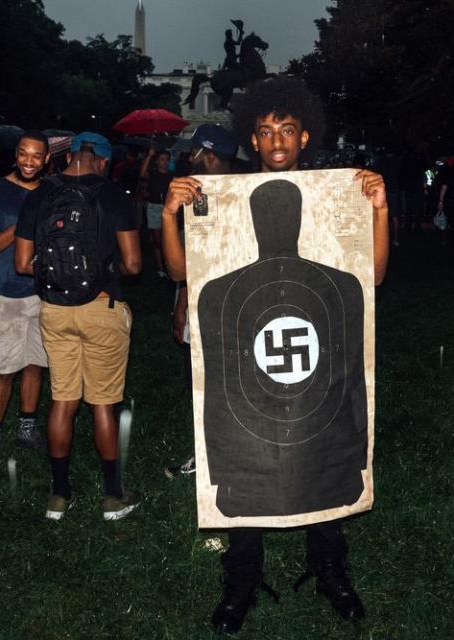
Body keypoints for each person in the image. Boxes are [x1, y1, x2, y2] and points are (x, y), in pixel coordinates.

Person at [161, 77, 389, 635]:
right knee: (249, 461)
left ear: (304, 135)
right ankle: (240, 579)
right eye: (265, 131)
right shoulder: (218, 197)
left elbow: (373, 275)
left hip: (321, 388)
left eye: (286, 129)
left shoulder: (341, 193)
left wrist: (379, 210)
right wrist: (170, 216)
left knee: (323, 460)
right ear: (253, 142)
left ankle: (331, 570)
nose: (276, 139)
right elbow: (178, 273)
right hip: (249, 390)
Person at [14, 132, 143, 521]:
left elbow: (22, 263)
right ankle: (113, 497)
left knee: (63, 399)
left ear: (68, 155)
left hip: (54, 308)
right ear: (102, 161)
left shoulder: (39, 194)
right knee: (102, 401)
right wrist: (102, 272)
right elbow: (135, 264)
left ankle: (59, 495)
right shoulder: (113, 195)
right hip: (100, 307)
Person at [163, 124, 239, 480]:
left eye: (191, 153)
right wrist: (180, 305)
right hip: (205, 303)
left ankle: (223, 456)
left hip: (229, 307)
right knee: (205, 386)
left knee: (215, 388)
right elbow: (186, 264)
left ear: (207, 154)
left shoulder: (229, 194)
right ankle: (208, 453)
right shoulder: (193, 194)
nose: (186, 160)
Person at [0, 131, 51, 470]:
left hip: (49, 295)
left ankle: (26, 429)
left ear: (46, 159)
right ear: (15, 155)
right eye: (23, 154)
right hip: (12, 294)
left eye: (36, 156)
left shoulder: (53, 192)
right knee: (4, 369)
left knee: (36, 364)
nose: (29, 162)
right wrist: (23, 225)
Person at [140, 148, 172, 278]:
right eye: (162, 159)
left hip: (168, 209)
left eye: (167, 160)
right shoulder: (152, 174)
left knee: (168, 241)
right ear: (157, 161)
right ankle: (160, 269)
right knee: (158, 242)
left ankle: (169, 267)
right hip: (154, 208)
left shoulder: (171, 175)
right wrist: (149, 156)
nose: (165, 162)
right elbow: (142, 174)